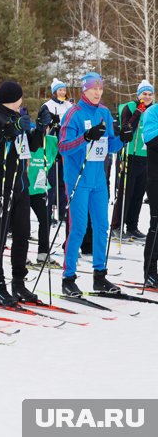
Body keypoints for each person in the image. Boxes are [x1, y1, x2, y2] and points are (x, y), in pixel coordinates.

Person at [59, 72, 130, 296]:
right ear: (84, 90)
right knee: (79, 228)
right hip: (78, 180)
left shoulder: (104, 112)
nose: (98, 93)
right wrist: (85, 137)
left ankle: (100, 276)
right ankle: (68, 277)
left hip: (99, 180)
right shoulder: (74, 114)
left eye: (100, 89)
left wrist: (123, 139)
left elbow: (109, 146)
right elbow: (63, 147)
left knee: (101, 227)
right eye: (93, 89)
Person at [0, 81, 50, 305]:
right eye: (21, 96)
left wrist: (40, 128)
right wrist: (14, 131)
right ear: (15, 97)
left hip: (21, 184)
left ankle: (18, 281)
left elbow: (31, 147)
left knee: (22, 234)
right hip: (0, 184)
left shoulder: (19, 115)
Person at [112, 79, 153, 240]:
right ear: (138, 95)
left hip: (147, 157)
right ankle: (117, 225)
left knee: (138, 193)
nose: (147, 97)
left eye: (150, 94)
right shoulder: (129, 107)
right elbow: (126, 128)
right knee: (125, 192)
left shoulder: (154, 110)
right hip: (130, 155)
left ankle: (132, 226)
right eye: (144, 94)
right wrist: (138, 111)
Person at [41, 78, 73, 226]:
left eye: (64, 90)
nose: (63, 92)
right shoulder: (47, 106)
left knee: (64, 180)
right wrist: (52, 124)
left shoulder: (69, 105)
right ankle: (50, 212)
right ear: (54, 92)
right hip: (53, 147)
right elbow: (43, 126)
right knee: (52, 180)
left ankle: (63, 211)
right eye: (60, 90)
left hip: (66, 147)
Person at [27, 125, 59, 267]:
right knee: (22, 224)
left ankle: (43, 254)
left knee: (45, 220)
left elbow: (65, 145)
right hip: (24, 189)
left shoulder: (51, 141)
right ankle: (21, 256)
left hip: (40, 189)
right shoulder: (30, 140)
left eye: (48, 127)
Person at [140, 98, 158, 287]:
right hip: (156, 179)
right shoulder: (152, 112)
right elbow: (151, 139)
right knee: (157, 223)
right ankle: (150, 272)